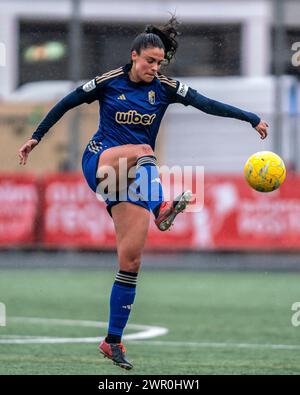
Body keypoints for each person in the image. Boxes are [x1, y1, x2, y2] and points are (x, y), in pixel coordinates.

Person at [18, 16, 268, 370]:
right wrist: (36, 137)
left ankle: (112, 341)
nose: (154, 67)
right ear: (134, 56)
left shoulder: (165, 88)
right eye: (149, 61)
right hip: (101, 164)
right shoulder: (109, 82)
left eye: (159, 63)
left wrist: (250, 117)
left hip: (133, 180)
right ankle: (162, 206)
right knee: (143, 151)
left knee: (131, 261)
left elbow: (208, 104)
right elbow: (66, 102)